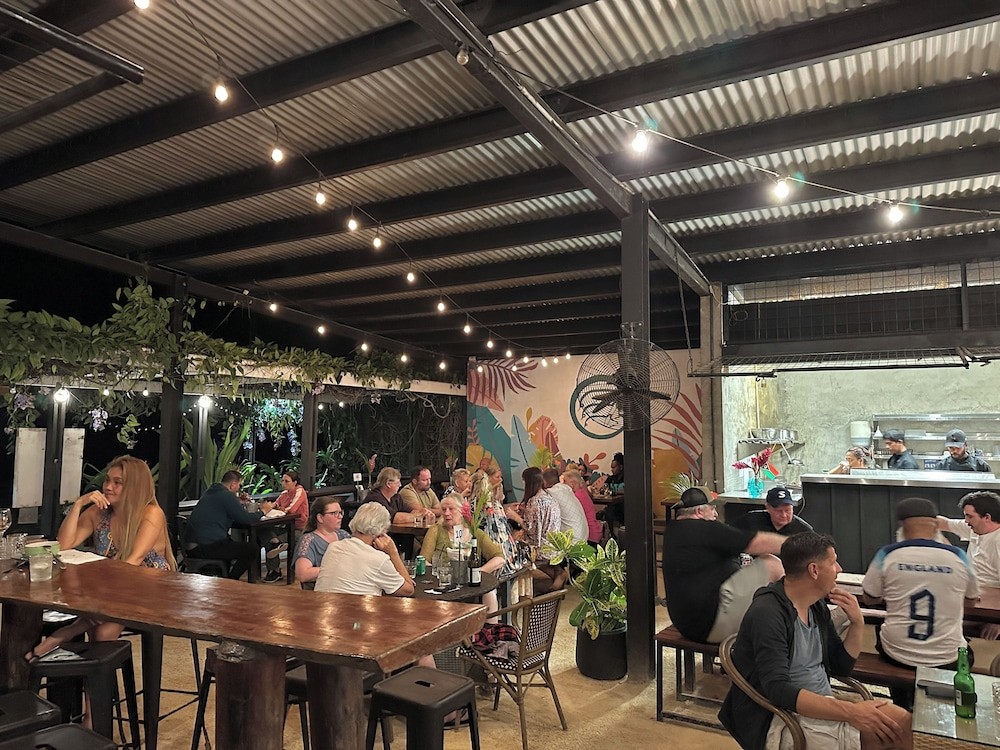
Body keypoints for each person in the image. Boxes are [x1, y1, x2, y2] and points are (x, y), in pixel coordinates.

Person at [719, 532, 912, 750]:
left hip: (821, 705)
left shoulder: (815, 606)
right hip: (781, 718)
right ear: (814, 570)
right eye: (833, 562)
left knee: (901, 721)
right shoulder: (768, 613)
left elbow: (840, 667)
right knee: (888, 733)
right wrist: (851, 711)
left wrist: (857, 623)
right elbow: (778, 690)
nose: (839, 569)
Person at [26, 456, 176, 659]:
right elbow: (64, 543)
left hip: (148, 588)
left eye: (117, 482)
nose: (108, 487)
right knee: (102, 632)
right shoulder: (100, 511)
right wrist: (79, 504)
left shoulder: (151, 513)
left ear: (134, 487)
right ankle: (81, 658)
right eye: (107, 480)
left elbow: (134, 562)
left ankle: (65, 634)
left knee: (102, 630)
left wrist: (102, 586)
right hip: (115, 590)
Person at [862, 497, 978, 710]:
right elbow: (971, 599)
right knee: (965, 650)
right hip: (947, 656)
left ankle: (902, 706)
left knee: (883, 633)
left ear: (902, 526)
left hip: (897, 654)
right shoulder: (958, 556)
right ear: (935, 525)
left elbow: (869, 597)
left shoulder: (887, 554)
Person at [663, 487, 784, 644]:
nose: (716, 514)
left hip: (688, 625)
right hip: (711, 624)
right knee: (772, 564)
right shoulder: (703, 528)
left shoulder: (674, 531)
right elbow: (759, 542)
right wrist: (800, 544)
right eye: (712, 509)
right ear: (699, 511)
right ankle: (793, 624)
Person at [186, 469, 284, 582]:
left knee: (231, 543)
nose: (239, 488)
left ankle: (225, 577)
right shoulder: (226, 495)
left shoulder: (211, 491)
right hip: (205, 546)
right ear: (232, 485)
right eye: (239, 485)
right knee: (252, 549)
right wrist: (264, 511)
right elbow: (245, 519)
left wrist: (237, 501)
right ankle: (231, 581)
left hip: (192, 544)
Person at [421, 494, 506, 616]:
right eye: (444, 509)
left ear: (462, 511)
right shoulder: (436, 530)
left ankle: (490, 626)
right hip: (444, 583)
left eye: (451, 509)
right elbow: (423, 560)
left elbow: (499, 558)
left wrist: (477, 573)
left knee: (490, 592)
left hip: (469, 585)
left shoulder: (475, 532)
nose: (446, 513)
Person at [505, 466, 566, 593]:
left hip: (541, 549)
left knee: (513, 546)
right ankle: (557, 573)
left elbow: (531, 530)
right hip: (555, 546)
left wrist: (514, 516)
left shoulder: (534, 502)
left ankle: (519, 590)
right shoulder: (550, 499)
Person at [936, 491, 1000, 587]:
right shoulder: (973, 528)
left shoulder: (997, 542)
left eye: (970, 516)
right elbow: (944, 523)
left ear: (987, 517)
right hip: (967, 587)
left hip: (985, 591)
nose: (966, 521)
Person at [471, 466, 525, 577]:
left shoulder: (487, 503)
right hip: (495, 544)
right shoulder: (486, 504)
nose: (500, 480)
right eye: (497, 477)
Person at [293, 498, 350, 585]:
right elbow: (302, 574)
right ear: (320, 518)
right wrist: (336, 569)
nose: (340, 517)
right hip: (321, 590)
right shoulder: (309, 540)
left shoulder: (344, 535)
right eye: (334, 513)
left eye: (340, 512)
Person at [364, 467, 433, 524]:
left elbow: (410, 511)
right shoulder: (375, 498)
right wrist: (418, 516)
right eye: (397, 482)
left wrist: (423, 513)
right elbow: (394, 518)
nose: (400, 485)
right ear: (388, 484)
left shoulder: (396, 497)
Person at [735, 487, 813, 537]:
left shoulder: (804, 531)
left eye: (787, 510)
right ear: (768, 508)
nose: (784, 515)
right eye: (778, 511)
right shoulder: (750, 520)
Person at [541, 468, 588, 543]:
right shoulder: (566, 488)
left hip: (574, 539)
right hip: (584, 534)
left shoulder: (552, 492)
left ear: (544, 482)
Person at [562, 469, 602, 545]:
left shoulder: (576, 496)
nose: (563, 485)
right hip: (594, 532)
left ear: (572, 484)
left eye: (565, 482)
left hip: (589, 535)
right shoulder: (582, 492)